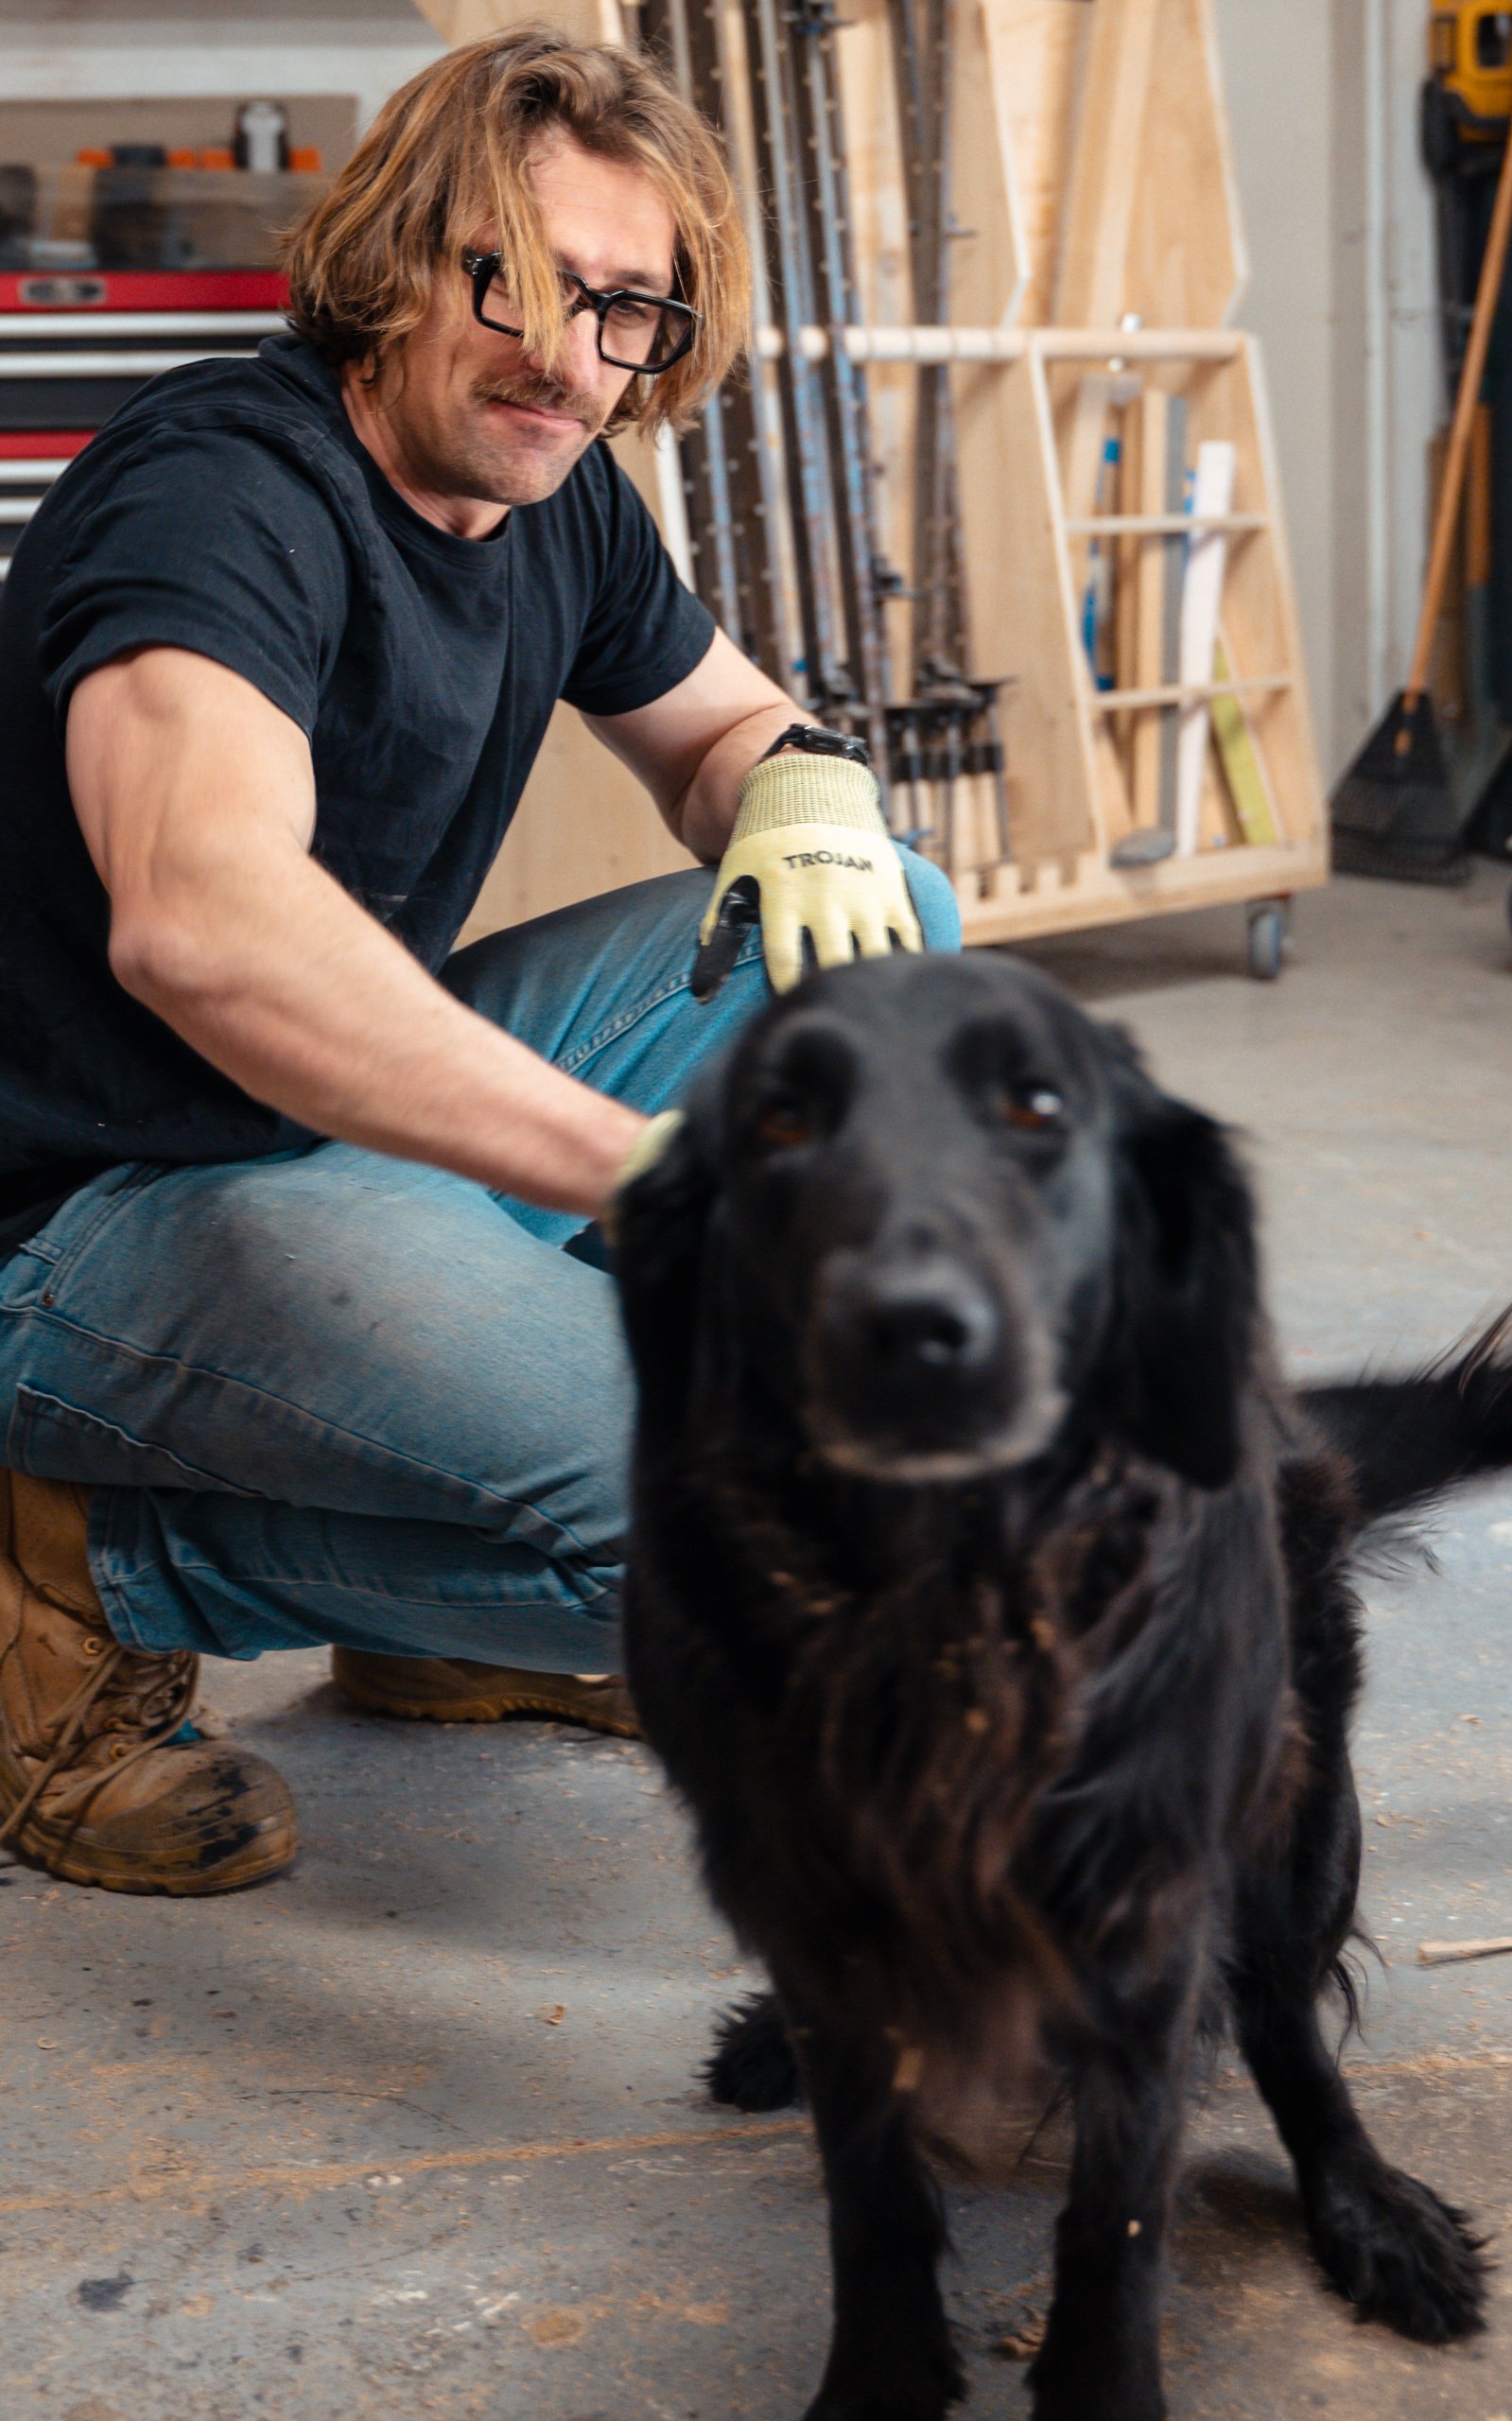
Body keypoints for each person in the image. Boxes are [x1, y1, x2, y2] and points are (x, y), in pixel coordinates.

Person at [0, 29, 960, 1896]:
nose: (562, 353)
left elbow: (715, 733)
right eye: (507, 281)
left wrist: (802, 785)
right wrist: (638, 1174)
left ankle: (443, 1611)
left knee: (877, 929)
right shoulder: (225, 499)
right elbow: (203, 921)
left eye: (623, 310)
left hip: (299, 1125)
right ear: (392, 259)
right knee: (735, 1528)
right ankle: (75, 1574)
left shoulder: (553, 488)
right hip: (77, 1207)